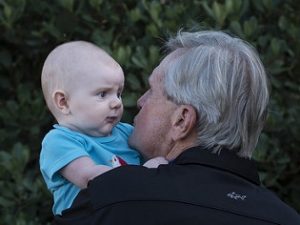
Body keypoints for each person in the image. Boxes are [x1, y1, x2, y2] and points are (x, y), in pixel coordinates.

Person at [54, 31, 300, 225]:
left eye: (152, 91)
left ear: (182, 121)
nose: (139, 101)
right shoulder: (286, 219)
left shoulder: (118, 198)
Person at [40, 41, 167, 215]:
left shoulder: (126, 133)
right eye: (102, 94)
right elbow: (90, 178)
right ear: (64, 102)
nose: (116, 102)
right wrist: (146, 173)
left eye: (119, 93)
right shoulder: (59, 141)